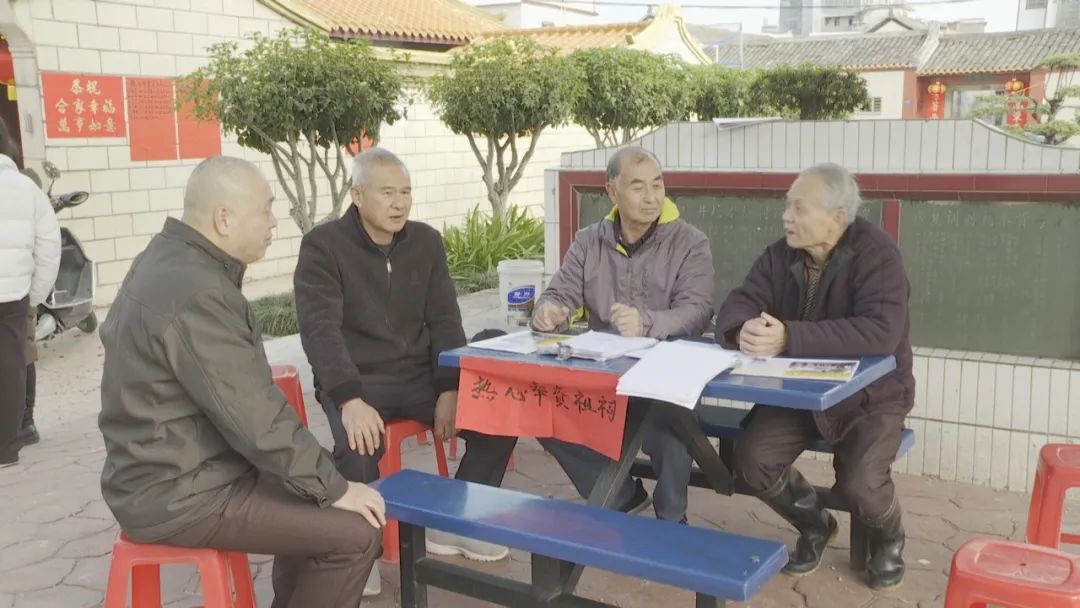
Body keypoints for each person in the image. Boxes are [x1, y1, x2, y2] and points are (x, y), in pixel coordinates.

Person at [294, 149, 651, 573]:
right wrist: (349, 399)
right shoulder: (324, 246)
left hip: (419, 376)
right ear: (357, 195)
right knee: (359, 447)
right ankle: (356, 553)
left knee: (498, 412)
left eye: (405, 192)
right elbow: (320, 330)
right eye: (387, 193)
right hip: (358, 380)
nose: (399, 203)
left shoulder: (425, 242)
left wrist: (448, 386)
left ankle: (459, 521)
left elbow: (445, 319)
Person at [98, 156, 383, 608]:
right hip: (180, 491)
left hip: (173, 468)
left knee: (311, 488)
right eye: (265, 210)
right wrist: (336, 488)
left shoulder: (170, 258)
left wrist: (322, 483)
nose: (273, 223)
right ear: (224, 219)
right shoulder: (198, 291)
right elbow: (253, 417)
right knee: (356, 532)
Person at [715, 162, 913, 590]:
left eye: (799, 208)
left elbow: (881, 332)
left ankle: (889, 538)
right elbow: (741, 299)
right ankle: (815, 524)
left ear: (836, 218)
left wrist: (789, 337)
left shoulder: (877, 255)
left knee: (861, 484)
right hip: (801, 393)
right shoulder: (781, 254)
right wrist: (740, 329)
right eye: (787, 206)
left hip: (872, 396)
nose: (786, 217)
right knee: (751, 460)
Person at [532, 146, 715, 523]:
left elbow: (696, 311)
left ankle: (672, 523)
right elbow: (560, 293)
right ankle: (620, 495)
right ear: (612, 191)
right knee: (539, 406)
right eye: (638, 187)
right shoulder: (589, 241)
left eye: (657, 185)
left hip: (668, 376)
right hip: (604, 379)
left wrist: (646, 322)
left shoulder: (689, 242)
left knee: (669, 427)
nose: (651, 197)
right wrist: (549, 311)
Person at [0, 119, 60, 467]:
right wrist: (33, 295)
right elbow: (49, 246)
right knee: (12, 363)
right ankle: (7, 448)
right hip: (13, 294)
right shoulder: (27, 189)